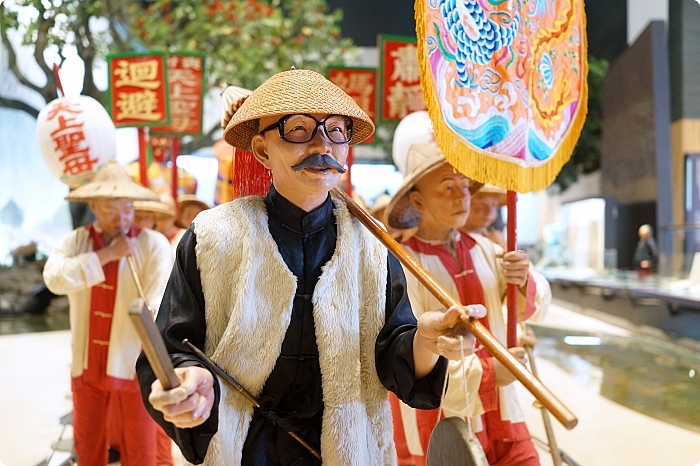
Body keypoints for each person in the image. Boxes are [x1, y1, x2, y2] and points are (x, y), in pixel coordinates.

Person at [136, 68, 486, 466]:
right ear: (263, 150)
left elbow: (392, 360)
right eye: (299, 129)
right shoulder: (212, 236)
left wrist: (425, 341)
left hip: (347, 449)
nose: (323, 144)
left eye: (336, 130)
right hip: (242, 448)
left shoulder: (374, 244)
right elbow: (172, 347)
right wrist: (189, 380)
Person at [385, 144, 552, 466]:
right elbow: (407, 355)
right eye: (448, 187)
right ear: (417, 199)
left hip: (504, 413)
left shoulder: (488, 249)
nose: (462, 196)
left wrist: (523, 279)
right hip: (438, 420)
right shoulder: (399, 264)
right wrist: (491, 373)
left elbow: (535, 307)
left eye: (464, 185)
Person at [43, 160, 174, 466]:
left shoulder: (152, 244)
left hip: (133, 361)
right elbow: (54, 278)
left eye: (127, 207)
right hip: (87, 361)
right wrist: (106, 255)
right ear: (93, 206)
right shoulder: (76, 241)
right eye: (111, 209)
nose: (122, 217)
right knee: (87, 445)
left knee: (140, 446)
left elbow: (160, 296)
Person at [462, 184, 507, 249]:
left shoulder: (491, 238)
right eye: (481, 204)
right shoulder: (454, 239)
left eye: (494, 204)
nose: (489, 211)